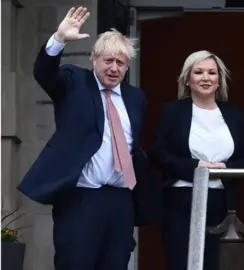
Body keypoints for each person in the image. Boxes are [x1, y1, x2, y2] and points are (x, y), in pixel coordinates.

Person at [17, 6, 162, 270]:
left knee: (116, 264)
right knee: (75, 263)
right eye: (108, 60)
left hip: (120, 199)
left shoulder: (135, 97)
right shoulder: (74, 82)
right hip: (82, 198)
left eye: (121, 63)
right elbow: (44, 74)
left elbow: (132, 145)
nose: (114, 68)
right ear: (94, 60)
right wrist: (59, 38)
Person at [148, 50, 244, 270]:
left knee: (216, 264)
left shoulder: (233, 115)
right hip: (181, 200)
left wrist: (224, 168)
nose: (206, 77)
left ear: (219, 80)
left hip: (222, 203)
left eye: (211, 73)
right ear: (188, 79)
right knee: (181, 263)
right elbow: (157, 153)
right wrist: (197, 167)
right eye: (199, 72)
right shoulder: (172, 111)